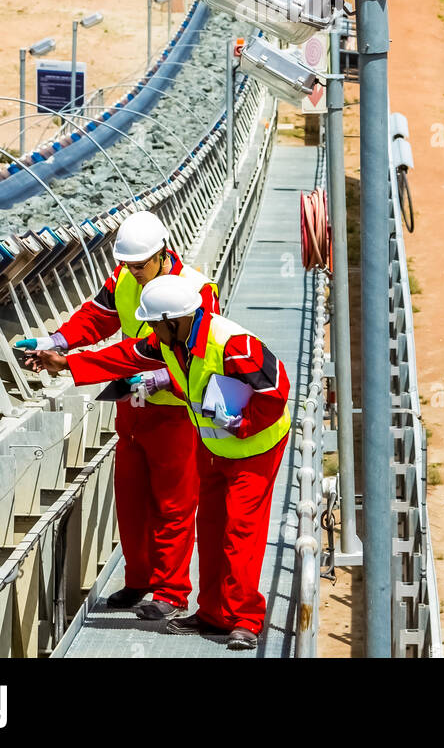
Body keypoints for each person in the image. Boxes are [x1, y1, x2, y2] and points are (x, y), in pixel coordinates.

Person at [16, 210, 218, 624]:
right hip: (133, 405)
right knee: (130, 497)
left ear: (163, 255)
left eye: (138, 266)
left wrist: (154, 377)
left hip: (175, 412)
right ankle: (140, 579)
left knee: (173, 503)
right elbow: (97, 318)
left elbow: (191, 350)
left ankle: (171, 590)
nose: (131, 273)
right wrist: (54, 342)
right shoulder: (126, 276)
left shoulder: (196, 290)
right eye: (126, 265)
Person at [122, 274, 291, 651]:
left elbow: (276, 389)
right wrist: (63, 358)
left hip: (254, 450)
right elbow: (123, 356)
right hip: (213, 447)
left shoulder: (234, 344)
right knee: (211, 525)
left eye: (153, 324)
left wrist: (242, 425)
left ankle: (245, 618)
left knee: (240, 532)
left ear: (173, 320)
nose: (149, 331)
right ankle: (213, 612)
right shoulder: (174, 340)